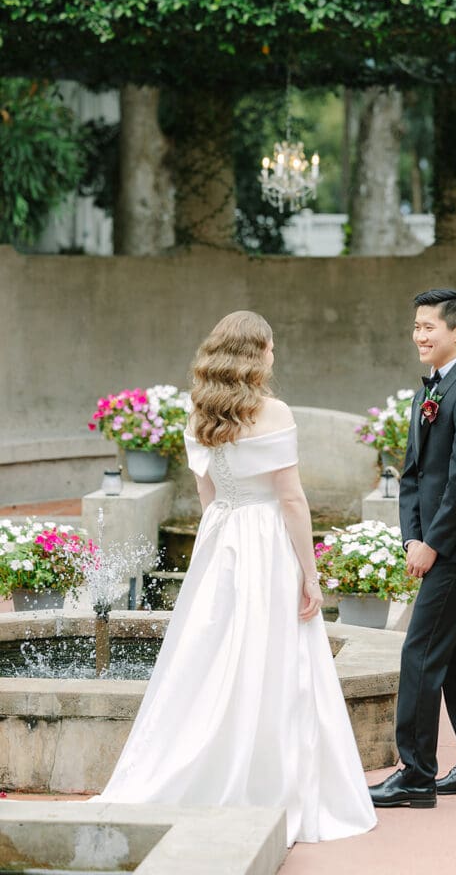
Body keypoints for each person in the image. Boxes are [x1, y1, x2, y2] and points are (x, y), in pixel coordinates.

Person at [96, 310, 377, 846]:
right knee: (273, 655)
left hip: (221, 538)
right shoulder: (274, 412)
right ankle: (270, 781)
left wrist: (220, 539)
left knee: (210, 654)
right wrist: (310, 575)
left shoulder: (200, 413)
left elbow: (208, 497)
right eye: (271, 347)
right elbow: (292, 500)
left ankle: (200, 762)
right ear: (257, 354)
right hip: (267, 541)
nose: (275, 355)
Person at [369, 288, 456, 809]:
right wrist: (410, 537)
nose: (419, 335)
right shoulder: (432, 391)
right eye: (416, 326)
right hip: (437, 543)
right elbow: (412, 476)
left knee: (420, 651)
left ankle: (415, 774)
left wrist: (434, 545)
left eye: (430, 327)